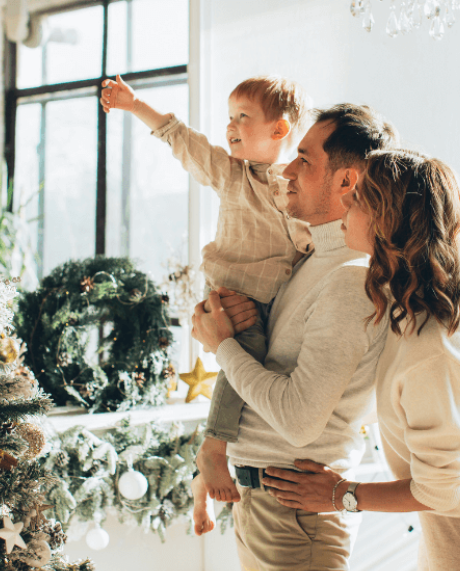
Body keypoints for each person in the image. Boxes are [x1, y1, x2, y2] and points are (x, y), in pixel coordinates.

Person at [253, 149, 460, 571]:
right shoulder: (431, 294)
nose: (345, 207)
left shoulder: (432, 349)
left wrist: (341, 495)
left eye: (357, 201)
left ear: (386, 220)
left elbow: (440, 489)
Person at [191, 104, 398, 571]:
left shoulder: (350, 279)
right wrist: (218, 325)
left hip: (293, 515)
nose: (286, 169)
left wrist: (223, 346)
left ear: (347, 182)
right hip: (263, 504)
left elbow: (300, 421)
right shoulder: (309, 260)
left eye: (304, 159)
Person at [99, 74, 313, 534]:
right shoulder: (232, 175)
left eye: (243, 117)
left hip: (273, 303)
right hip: (234, 295)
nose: (230, 126)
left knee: (258, 390)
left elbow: (312, 237)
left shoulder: (295, 183)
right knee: (246, 358)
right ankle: (213, 451)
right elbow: (182, 138)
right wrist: (135, 105)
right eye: (229, 116)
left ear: (279, 130)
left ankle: (202, 484)